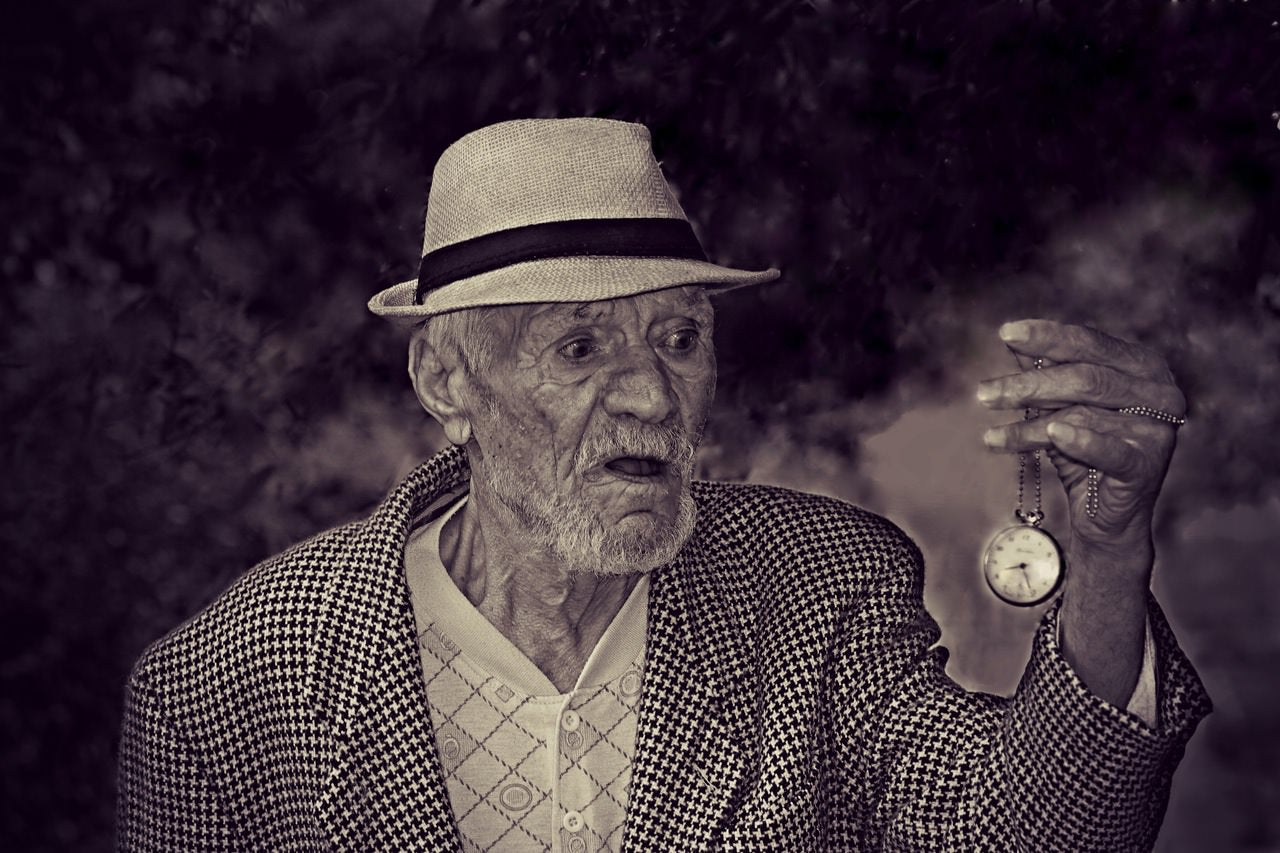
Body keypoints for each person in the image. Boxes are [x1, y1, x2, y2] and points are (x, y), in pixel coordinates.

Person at [116, 117, 1210, 852]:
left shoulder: (814, 584)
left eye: (679, 337)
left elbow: (1015, 831)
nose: (652, 393)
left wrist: (1107, 555)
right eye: (580, 348)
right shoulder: (219, 689)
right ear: (445, 377)